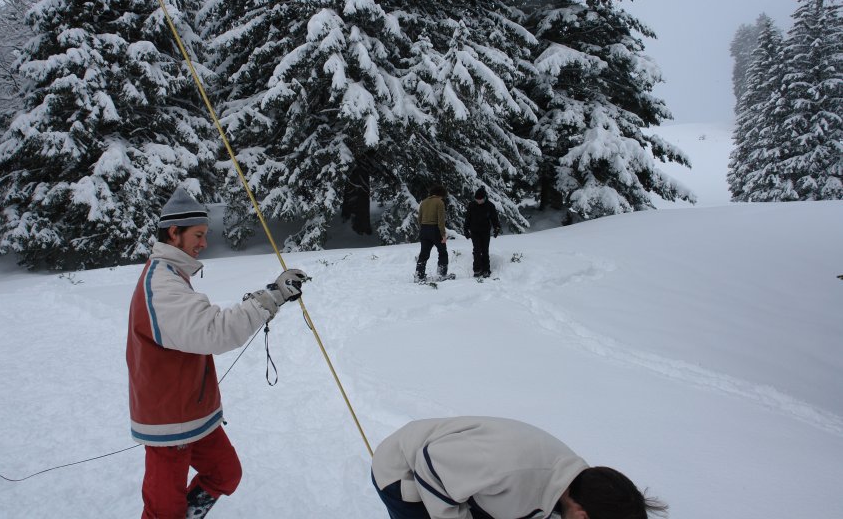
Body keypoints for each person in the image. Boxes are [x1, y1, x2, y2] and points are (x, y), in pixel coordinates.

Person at [126, 186, 308, 519]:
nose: (204, 243)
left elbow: (201, 325)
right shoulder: (161, 285)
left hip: (195, 415)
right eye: (197, 234)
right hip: (170, 422)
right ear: (173, 232)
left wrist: (268, 296)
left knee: (225, 474)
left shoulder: (173, 275)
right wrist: (271, 299)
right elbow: (214, 331)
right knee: (164, 512)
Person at [371, 416, 668, 519]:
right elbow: (430, 461)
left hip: (464, 480)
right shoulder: (509, 468)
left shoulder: (579, 483)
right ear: (582, 514)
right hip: (404, 470)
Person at [463, 186, 501, 278]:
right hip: (474, 231)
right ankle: (477, 270)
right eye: (477, 199)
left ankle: (486, 270)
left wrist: (497, 228)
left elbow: (494, 219)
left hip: (485, 231)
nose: (478, 201)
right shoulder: (472, 205)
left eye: (480, 199)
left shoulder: (490, 206)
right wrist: (465, 230)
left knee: (484, 250)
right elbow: (468, 218)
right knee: (476, 250)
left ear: (484, 198)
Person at [414, 184, 449, 282]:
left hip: (424, 230)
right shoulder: (439, 202)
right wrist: (443, 234)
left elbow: (419, 218)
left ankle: (419, 275)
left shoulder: (424, 202)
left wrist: (423, 229)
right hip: (435, 230)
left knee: (424, 254)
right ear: (441, 194)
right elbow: (441, 220)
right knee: (442, 252)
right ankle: (441, 274)